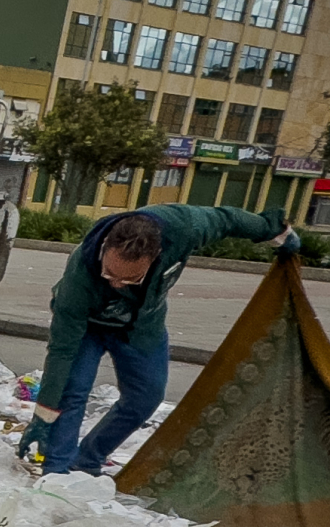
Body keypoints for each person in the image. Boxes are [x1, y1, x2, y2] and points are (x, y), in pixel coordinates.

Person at [20, 201, 296, 474]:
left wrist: (275, 231)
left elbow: (228, 220)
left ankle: (88, 458)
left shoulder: (184, 228)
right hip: (86, 329)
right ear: (105, 247)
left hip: (141, 327)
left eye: (130, 279)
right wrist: (43, 414)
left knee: (146, 397)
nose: (116, 284)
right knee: (72, 391)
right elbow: (62, 352)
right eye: (109, 274)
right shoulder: (79, 277)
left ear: (156, 256)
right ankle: (56, 471)